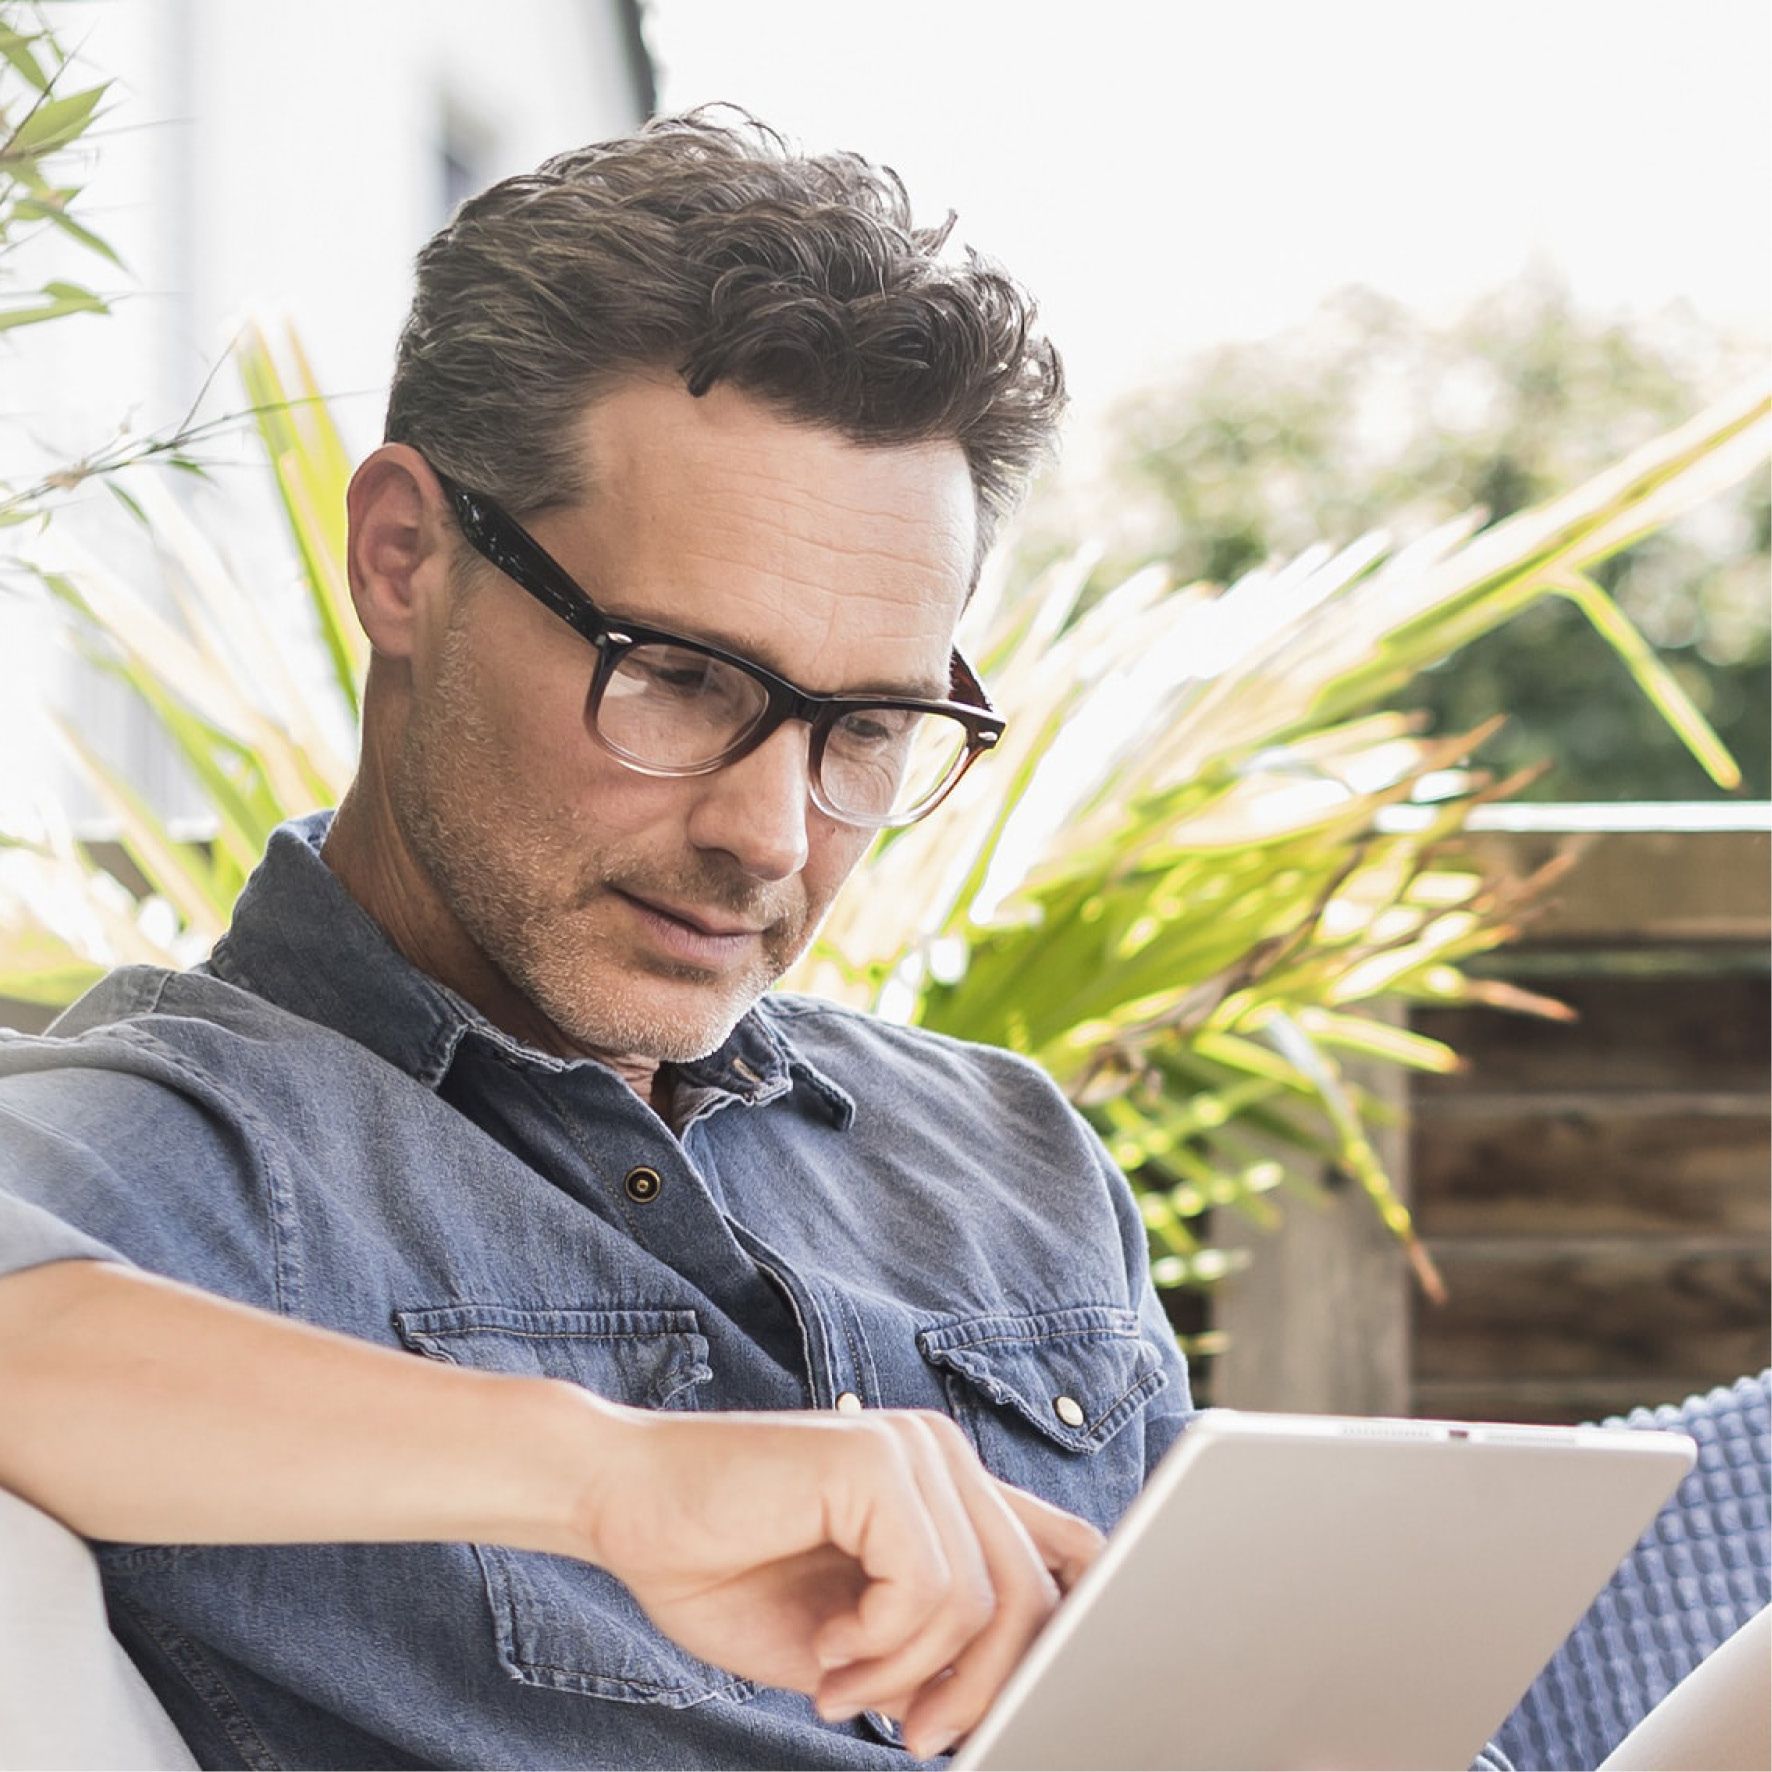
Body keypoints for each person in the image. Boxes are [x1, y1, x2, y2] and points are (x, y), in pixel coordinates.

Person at [0, 111, 1191, 1769]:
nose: (772, 837)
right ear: (405, 556)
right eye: (684, 676)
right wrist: (613, 1477)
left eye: (869, 728)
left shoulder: (1011, 1156)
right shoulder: (182, 1152)